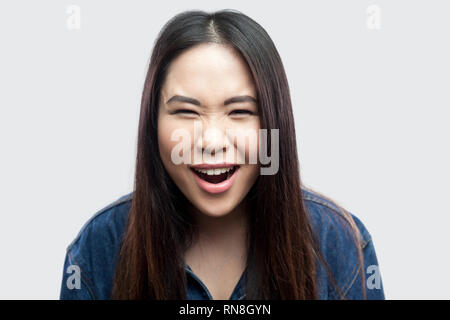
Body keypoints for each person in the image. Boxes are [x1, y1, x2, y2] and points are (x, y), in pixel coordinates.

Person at [60, 9, 385, 300]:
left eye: (240, 111)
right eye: (187, 111)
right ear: (152, 125)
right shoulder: (98, 247)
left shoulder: (339, 241)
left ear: (273, 123)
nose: (212, 141)